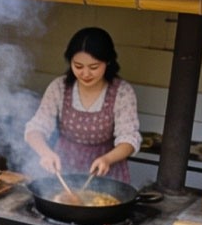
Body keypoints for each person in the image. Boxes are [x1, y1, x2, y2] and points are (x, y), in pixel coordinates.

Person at [24, 26, 140, 183]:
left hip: (106, 169)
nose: (85, 74)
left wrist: (107, 159)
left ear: (108, 62)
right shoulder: (59, 87)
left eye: (94, 67)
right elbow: (35, 128)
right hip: (63, 168)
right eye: (78, 66)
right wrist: (45, 153)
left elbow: (129, 138)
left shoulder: (122, 92)